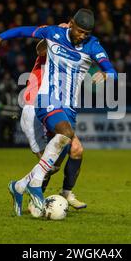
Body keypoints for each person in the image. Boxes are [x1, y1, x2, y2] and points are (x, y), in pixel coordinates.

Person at [0, 8, 118, 216]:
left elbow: (111, 70)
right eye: (80, 31)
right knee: (65, 134)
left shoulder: (93, 45)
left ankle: (19, 186)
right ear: (71, 23)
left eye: (86, 33)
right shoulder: (53, 33)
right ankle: (36, 186)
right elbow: (23, 31)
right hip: (46, 99)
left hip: (69, 108)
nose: (82, 36)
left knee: (57, 161)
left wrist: (105, 74)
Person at [21, 38, 91, 210]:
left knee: (76, 150)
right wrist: (51, 37)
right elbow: (40, 50)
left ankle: (66, 193)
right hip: (34, 107)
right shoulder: (51, 47)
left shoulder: (72, 57)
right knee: (49, 165)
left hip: (58, 108)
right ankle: (33, 197)